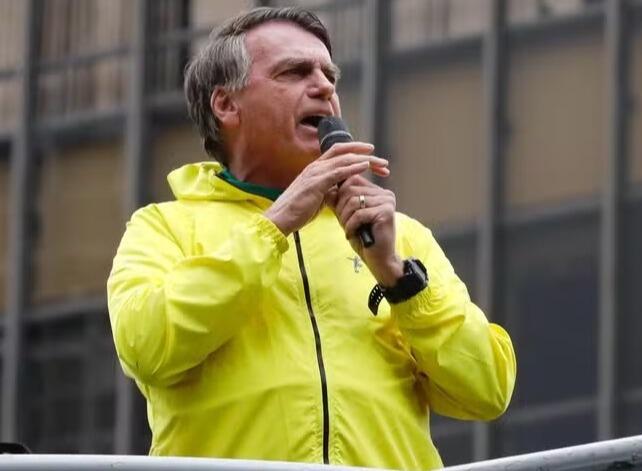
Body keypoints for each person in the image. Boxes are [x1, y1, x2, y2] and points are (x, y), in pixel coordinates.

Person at [107, 7, 516, 470]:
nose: (324, 87)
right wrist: (276, 225)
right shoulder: (164, 226)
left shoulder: (401, 237)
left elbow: (487, 390)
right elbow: (145, 346)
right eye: (295, 72)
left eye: (329, 75)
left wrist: (397, 277)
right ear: (226, 105)